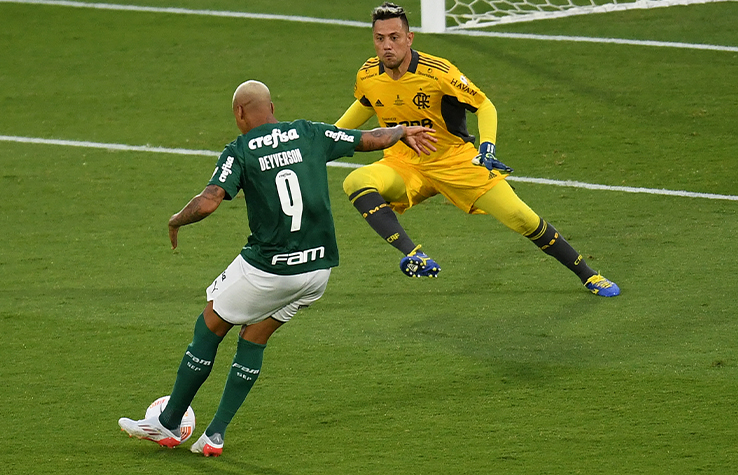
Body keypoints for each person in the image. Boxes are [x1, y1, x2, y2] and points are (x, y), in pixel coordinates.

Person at [118, 80, 436, 457]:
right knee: (254, 338)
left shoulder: (240, 150)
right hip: (317, 271)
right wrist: (403, 131)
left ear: (239, 113)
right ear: (272, 106)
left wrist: (176, 220)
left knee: (209, 326)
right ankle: (214, 435)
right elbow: (367, 138)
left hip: (270, 268)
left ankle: (167, 423)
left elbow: (208, 202)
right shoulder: (309, 132)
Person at [334, 2, 619, 297]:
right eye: (380, 38)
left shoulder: (439, 73)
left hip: (455, 161)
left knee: (522, 217)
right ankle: (414, 254)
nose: (387, 46)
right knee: (355, 180)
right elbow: (366, 102)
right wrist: (328, 136)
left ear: (410, 38)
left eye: (394, 37)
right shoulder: (368, 74)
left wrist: (487, 148)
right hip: (404, 164)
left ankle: (588, 275)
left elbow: (484, 105)